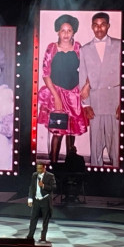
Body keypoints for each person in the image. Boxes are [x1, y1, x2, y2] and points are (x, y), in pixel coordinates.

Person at [36, 14, 88, 164]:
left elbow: (87, 69)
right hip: (56, 93)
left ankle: (70, 166)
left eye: (69, 30)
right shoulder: (52, 48)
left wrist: (86, 87)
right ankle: (53, 168)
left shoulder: (78, 47)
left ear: (74, 32)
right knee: (58, 132)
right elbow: (45, 74)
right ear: (57, 32)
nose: (66, 34)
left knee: (71, 131)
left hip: (74, 95)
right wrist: (56, 97)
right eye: (63, 30)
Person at [77, 12, 122, 166]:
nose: (99, 28)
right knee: (95, 146)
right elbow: (82, 78)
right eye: (96, 25)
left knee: (115, 146)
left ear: (108, 26)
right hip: (95, 102)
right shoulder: (84, 49)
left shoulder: (119, 45)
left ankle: (117, 178)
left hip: (114, 101)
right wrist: (86, 104)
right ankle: (96, 179)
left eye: (102, 24)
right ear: (92, 27)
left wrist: (123, 103)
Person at [26, 162, 56, 243]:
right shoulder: (34, 175)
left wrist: (43, 185)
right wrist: (30, 198)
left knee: (45, 220)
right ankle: (30, 236)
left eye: (40, 168)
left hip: (45, 200)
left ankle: (43, 237)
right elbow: (32, 187)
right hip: (36, 200)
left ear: (44, 168)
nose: (38, 170)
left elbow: (53, 187)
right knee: (33, 219)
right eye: (37, 168)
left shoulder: (50, 176)